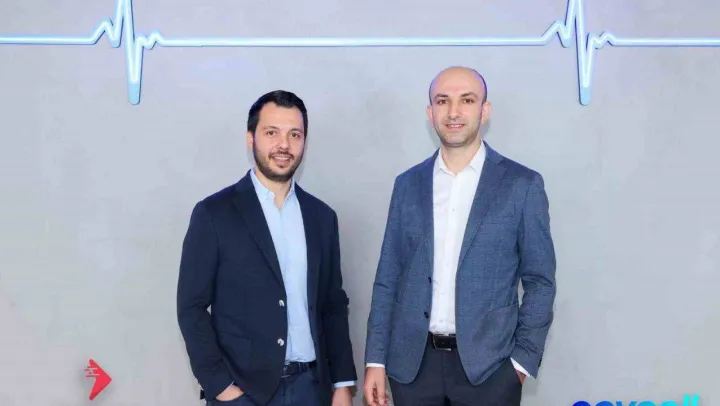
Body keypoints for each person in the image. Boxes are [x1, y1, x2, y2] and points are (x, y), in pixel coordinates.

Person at [363, 66, 557, 406]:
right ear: (430, 112)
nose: (453, 112)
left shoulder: (522, 185)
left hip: (490, 371)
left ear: (485, 110)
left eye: (467, 100)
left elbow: (540, 280)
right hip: (412, 371)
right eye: (443, 101)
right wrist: (376, 360)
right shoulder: (407, 185)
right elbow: (388, 277)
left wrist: (521, 363)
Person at [176, 90, 357, 406]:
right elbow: (191, 307)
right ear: (251, 139)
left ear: (304, 142)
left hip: (311, 389)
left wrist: (342, 384)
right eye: (272, 132)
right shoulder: (214, 213)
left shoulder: (321, 217)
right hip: (243, 392)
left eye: (294, 134)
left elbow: (332, 304)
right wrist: (221, 387)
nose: (283, 145)